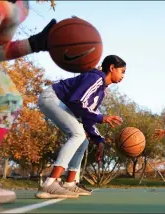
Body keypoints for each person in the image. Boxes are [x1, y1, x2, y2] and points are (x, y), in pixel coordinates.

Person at [0, 0, 56, 205]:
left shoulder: (19, 8)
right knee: (7, 100)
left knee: (8, 100)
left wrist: (34, 43)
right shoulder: (18, 8)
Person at [35, 55, 126, 199]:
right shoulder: (95, 78)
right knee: (78, 135)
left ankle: (70, 183)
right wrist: (102, 118)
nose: (123, 76)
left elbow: (86, 115)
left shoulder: (100, 90)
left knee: (83, 140)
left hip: (59, 102)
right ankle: (50, 183)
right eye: (122, 71)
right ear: (112, 68)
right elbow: (76, 102)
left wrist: (98, 140)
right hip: (52, 98)